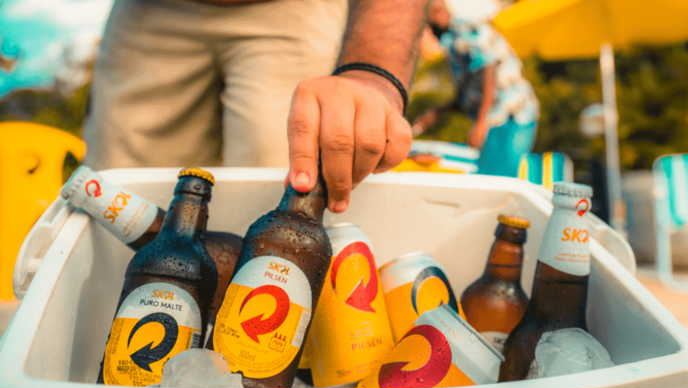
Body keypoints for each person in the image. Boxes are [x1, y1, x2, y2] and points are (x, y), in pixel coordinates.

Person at [83, 0, 429, 214]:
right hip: (150, 10)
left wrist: (370, 73)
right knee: (122, 198)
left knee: (283, 190)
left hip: (296, 8)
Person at [413, 0, 539, 177]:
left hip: (511, 113)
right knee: (487, 175)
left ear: (436, 13)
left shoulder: (465, 29)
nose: (428, 30)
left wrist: (481, 122)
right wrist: (436, 113)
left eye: (426, 23)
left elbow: (489, 68)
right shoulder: (452, 41)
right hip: (494, 117)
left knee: (500, 178)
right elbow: (469, 95)